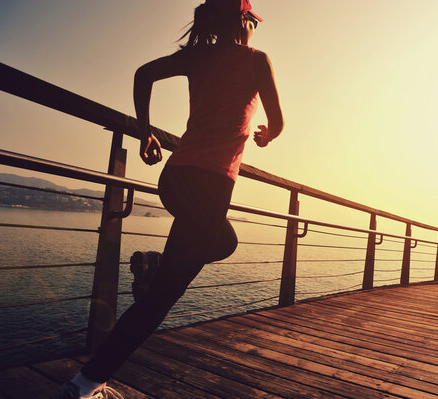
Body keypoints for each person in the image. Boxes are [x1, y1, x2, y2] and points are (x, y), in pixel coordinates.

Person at [52, 0, 283, 397]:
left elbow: (143, 74)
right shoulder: (257, 59)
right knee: (159, 302)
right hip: (210, 187)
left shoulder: (198, 56)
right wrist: (267, 135)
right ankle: (84, 385)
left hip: (175, 179)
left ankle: (155, 268)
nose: (255, 30)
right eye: (254, 23)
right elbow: (277, 121)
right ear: (245, 21)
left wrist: (146, 132)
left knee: (225, 241)